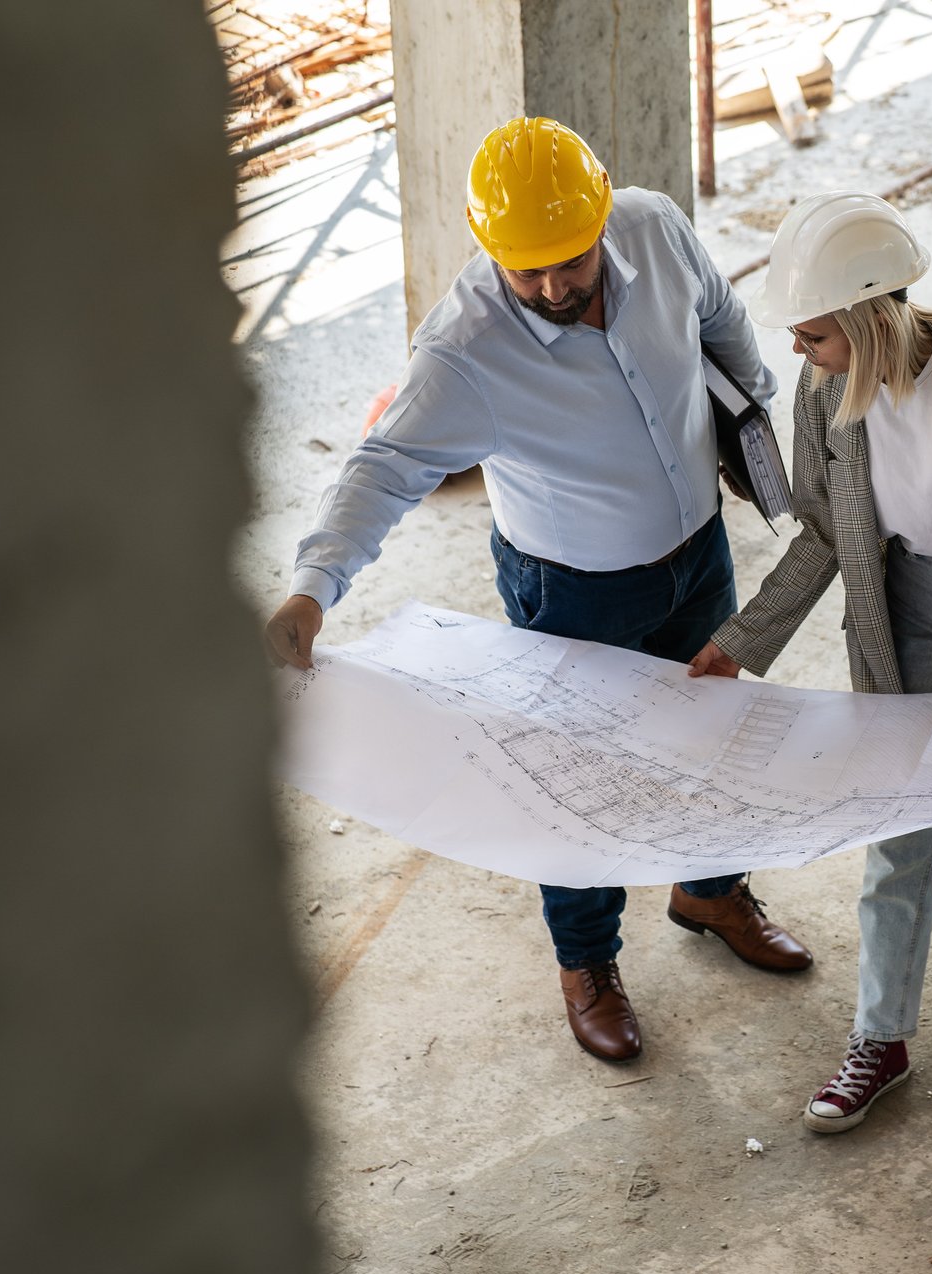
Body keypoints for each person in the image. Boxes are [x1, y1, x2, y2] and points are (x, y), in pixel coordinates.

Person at [263, 117, 813, 1064]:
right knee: (578, 777)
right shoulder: (464, 351)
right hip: (573, 587)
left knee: (715, 733)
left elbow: (719, 313)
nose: (556, 286)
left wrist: (752, 421)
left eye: (570, 259)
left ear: (603, 216)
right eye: (529, 272)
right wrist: (314, 586)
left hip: (699, 552)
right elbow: (382, 467)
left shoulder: (653, 227)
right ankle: (587, 961)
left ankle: (712, 888)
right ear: (488, 251)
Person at [686, 192, 932, 1132]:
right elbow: (824, 531)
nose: (797, 353)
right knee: (898, 829)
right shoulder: (827, 394)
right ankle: (882, 1033)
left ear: (866, 319)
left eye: (812, 334)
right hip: (902, 615)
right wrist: (742, 644)